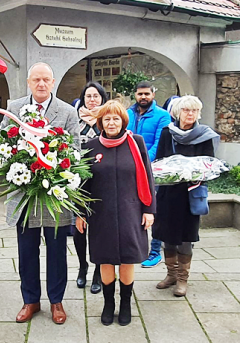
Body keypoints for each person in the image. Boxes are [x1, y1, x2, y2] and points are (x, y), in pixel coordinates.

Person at [0, 62, 81, 325]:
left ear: (53, 82)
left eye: (46, 79)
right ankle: (30, 300)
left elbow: (75, 152)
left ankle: (56, 301)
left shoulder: (68, 112)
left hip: (54, 195)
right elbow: (2, 139)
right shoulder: (14, 108)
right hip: (24, 194)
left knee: (57, 251)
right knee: (27, 251)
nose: (41, 84)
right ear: (28, 82)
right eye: (36, 80)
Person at [76, 100, 155, 326]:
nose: (112, 123)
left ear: (123, 121)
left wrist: (149, 209)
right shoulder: (91, 146)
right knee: (106, 260)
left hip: (132, 211)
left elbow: (148, 177)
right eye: (107, 119)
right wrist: (81, 213)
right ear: (101, 122)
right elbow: (84, 183)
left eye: (116, 118)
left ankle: (126, 304)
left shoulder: (136, 142)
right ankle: (108, 304)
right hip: (101, 213)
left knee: (128, 259)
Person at [152, 96, 219, 297]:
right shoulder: (167, 133)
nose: (190, 114)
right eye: (186, 110)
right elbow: (160, 160)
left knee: (185, 239)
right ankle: (170, 274)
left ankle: (182, 279)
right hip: (167, 193)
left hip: (190, 194)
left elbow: (209, 164)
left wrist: (192, 171)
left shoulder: (204, 135)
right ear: (178, 112)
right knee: (167, 237)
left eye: (194, 111)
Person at [126, 81, 171, 268]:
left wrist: (142, 162)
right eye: (139, 94)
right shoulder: (127, 114)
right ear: (135, 95)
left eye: (146, 94)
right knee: (132, 210)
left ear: (153, 94)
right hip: (129, 169)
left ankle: (154, 252)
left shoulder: (163, 115)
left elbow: (160, 143)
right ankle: (137, 248)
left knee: (153, 211)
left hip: (151, 169)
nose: (143, 97)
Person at [73, 81, 107, 294]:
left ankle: (96, 270)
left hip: (102, 181)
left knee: (99, 228)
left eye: (96, 96)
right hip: (79, 181)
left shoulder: (108, 120)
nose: (92, 100)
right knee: (79, 227)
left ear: (102, 99)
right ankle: (82, 265)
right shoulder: (75, 120)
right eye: (88, 96)